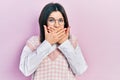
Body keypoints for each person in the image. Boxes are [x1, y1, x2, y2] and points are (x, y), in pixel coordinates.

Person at [19, 2, 88, 80]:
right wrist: (47, 43)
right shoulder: (34, 42)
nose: (57, 25)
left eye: (60, 20)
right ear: (44, 22)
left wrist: (65, 43)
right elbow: (25, 70)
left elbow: (80, 70)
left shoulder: (72, 41)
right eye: (51, 20)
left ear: (65, 23)